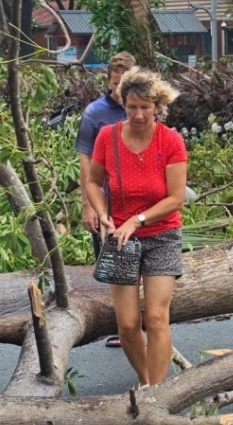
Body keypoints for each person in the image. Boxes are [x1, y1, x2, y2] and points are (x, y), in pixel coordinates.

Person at [85, 67, 187, 388]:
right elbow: (93, 181)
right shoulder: (108, 137)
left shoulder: (170, 141)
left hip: (162, 235)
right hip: (121, 241)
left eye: (145, 107)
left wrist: (137, 219)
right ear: (123, 104)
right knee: (128, 325)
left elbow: (175, 198)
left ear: (157, 106)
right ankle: (146, 384)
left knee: (155, 317)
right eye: (132, 107)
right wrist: (102, 213)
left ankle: (157, 392)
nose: (139, 114)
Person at [76, 52, 136, 348]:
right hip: (107, 204)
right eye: (115, 84)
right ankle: (122, 327)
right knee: (114, 264)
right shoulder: (94, 113)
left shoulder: (142, 109)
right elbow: (85, 161)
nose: (120, 91)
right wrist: (88, 205)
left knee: (143, 263)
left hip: (138, 203)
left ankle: (142, 325)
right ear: (108, 82)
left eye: (125, 84)